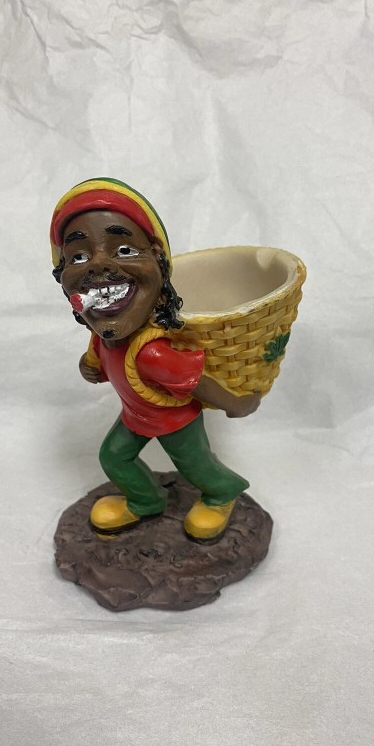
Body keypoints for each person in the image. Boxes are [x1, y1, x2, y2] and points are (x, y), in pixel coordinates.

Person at [50, 178, 259, 543]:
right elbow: (97, 365)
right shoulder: (103, 339)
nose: (97, 264)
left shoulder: (151, 352)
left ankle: (222, 492)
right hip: (135, 417)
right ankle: (145, 500)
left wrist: (236, 403)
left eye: (124, 249)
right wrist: (89, 367)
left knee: (196, 465)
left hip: (175, 422)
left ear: (159, 263)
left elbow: (197, 382)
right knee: (114, 457)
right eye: (78, 257)